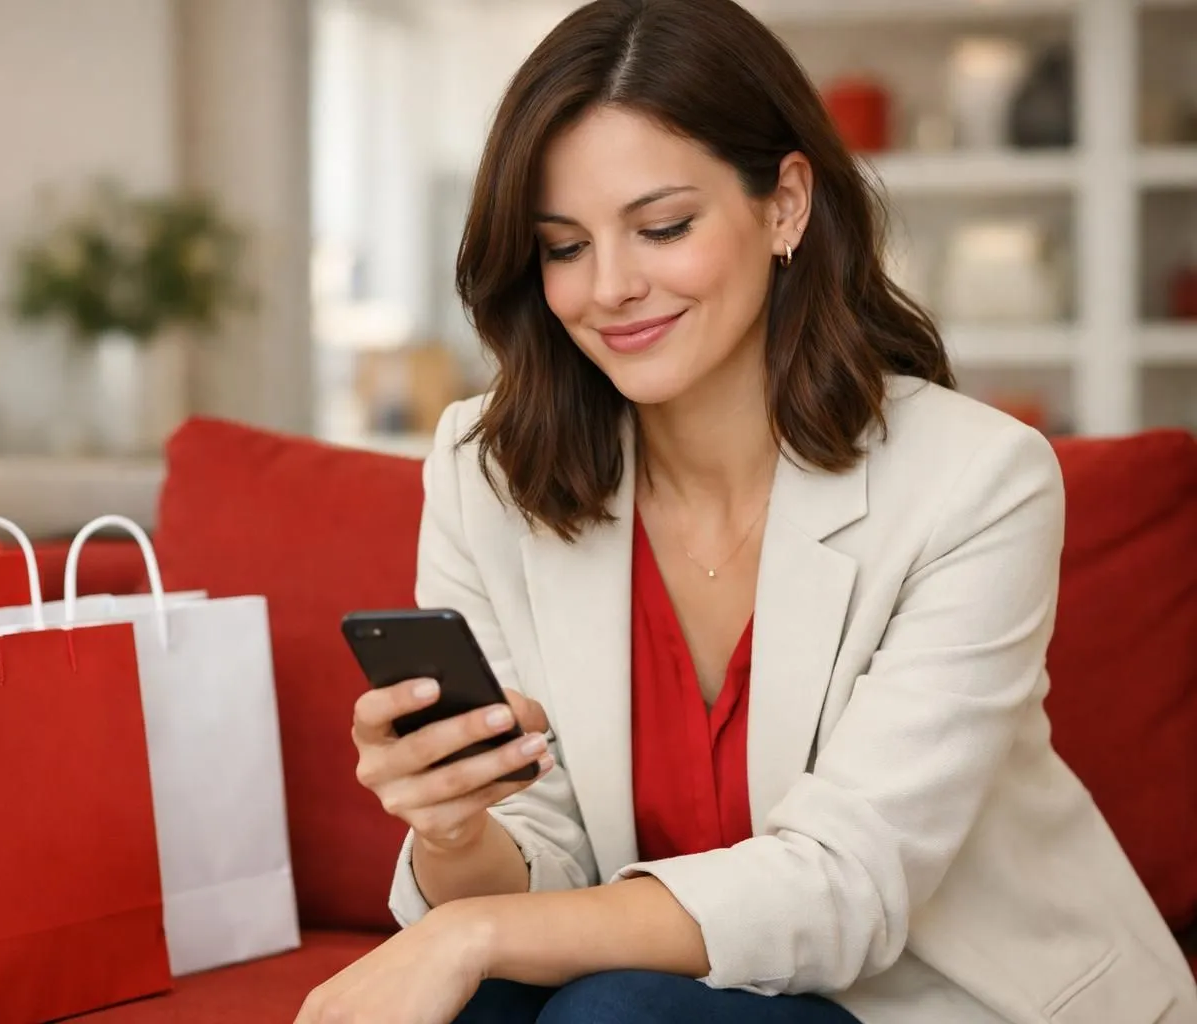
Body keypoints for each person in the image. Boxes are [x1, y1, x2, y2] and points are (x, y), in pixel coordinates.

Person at [296, 1, 1197, 1022]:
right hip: (663, 990)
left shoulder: (980, 480)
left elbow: (846, 886)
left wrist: (475, 932)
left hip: (925, 997)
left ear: (786, 206)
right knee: (487, 1003)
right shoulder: (487, 471)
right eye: (562, 247)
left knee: (605, 1011)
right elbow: (536, 874)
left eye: (663, 227)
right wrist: (454, 832)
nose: (610, 288)